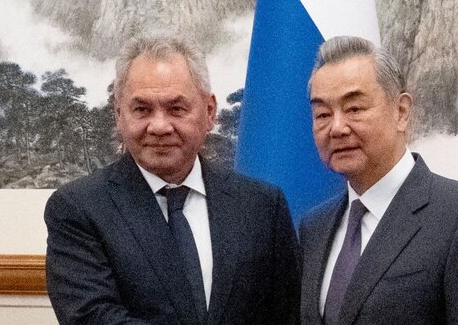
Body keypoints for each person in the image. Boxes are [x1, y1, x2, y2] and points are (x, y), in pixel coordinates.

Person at [45, 36, 300, 325]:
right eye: (142, 110)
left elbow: (287, 315)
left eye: (176, 109)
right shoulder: (78, 209)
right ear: (118, 115)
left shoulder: (262, 206)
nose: (159, 126)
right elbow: (91, 317)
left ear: (209, 111)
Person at [299, 36, 458, 325]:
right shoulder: (314, 228)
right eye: (323, 114)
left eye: (354, 109)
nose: (337, 128)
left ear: (401, 112)